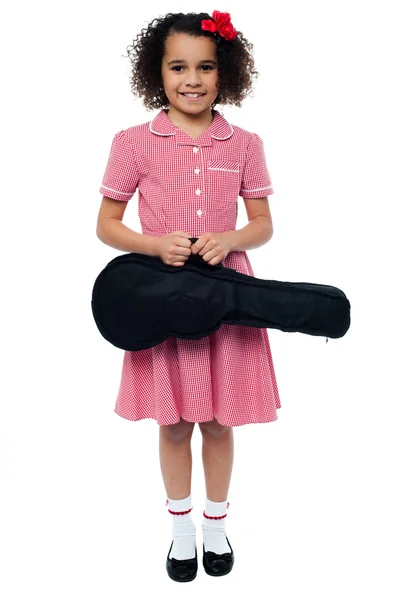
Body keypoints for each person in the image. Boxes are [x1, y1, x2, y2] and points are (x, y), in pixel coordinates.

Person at [96, 10, 281, 581]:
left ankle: (217, 526)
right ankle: (180, 534)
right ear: (159, 72)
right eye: (178, 67)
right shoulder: (133, 142)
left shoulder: (244, 142)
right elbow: (107, 224)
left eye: (205, 67)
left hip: (225, 292)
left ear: (224, 73)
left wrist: (229, 238)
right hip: (161, 293)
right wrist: (154, 245)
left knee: (219, 421)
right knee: (174, 422)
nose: (192, 79)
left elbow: (263, 223)